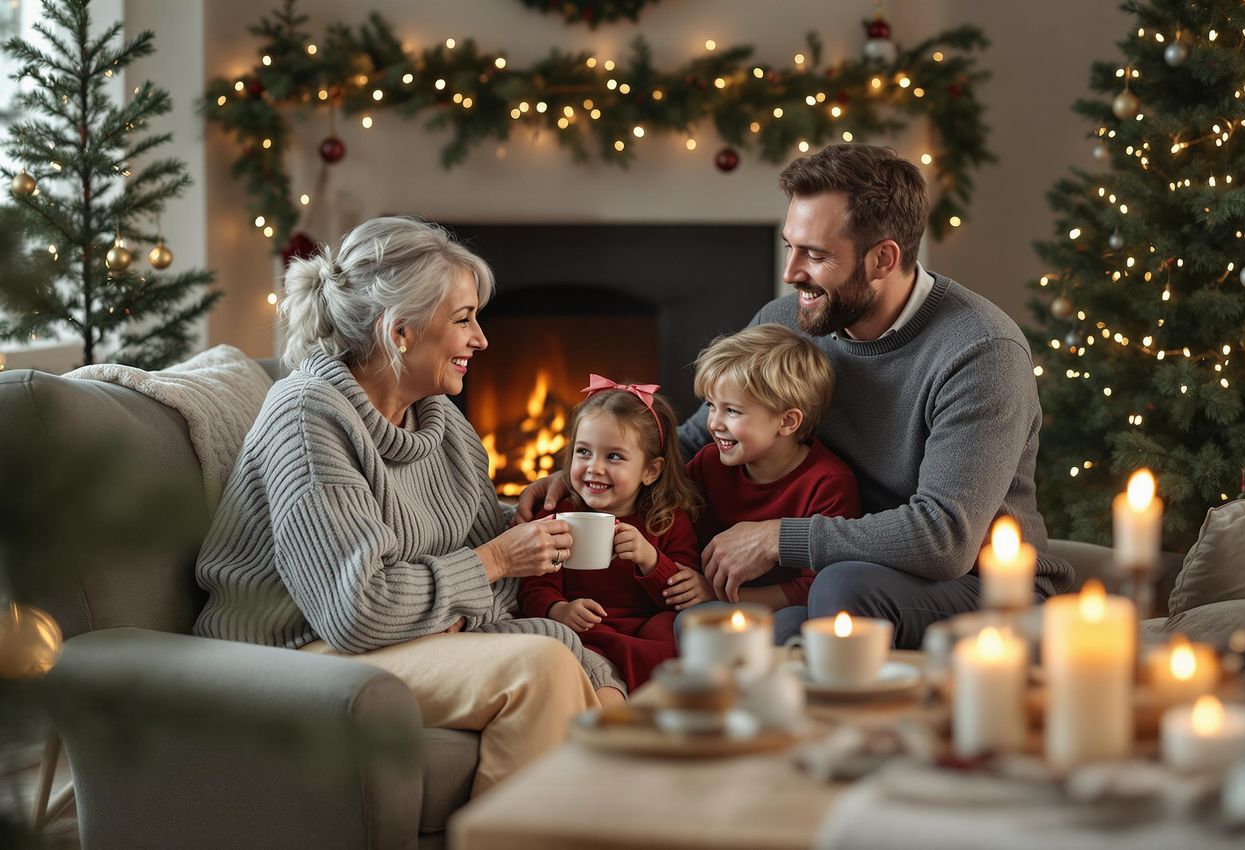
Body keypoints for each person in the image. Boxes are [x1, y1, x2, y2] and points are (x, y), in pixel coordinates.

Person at [518, 143, 1074, 650]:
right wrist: (587, 472)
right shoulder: (790, 320)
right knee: (701, 625)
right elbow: (692, 441)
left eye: (814, 255)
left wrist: (780, 538)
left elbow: (944, 539)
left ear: (882, 258)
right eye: (789, 247)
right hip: (829, 574)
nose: (790, 273)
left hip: (976, 586)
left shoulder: (979, 351)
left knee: (842, 586)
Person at [195, 216, 625, 797]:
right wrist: (493, 560)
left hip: (388, 643)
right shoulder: (307, 416)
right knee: (539, 669)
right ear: (400, 333)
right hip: (290, 654)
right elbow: (360, 610)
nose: (481, 340)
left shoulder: (439, 419)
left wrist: (514, 526)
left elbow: (491, 588)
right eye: (464, 319)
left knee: (574, 666)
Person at [666, 324, 860, 644]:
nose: (713, 423)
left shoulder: (829, 483)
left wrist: (722, 594)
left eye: (732, 411)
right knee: (688, 622)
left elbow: (816, 587)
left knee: (786, 628)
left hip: (786, 607)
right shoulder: (707, 464)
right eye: (712, 407)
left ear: (787, 421)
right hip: (717, 602)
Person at [519, 376, 700, 689]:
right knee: (554, 641)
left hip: (641, 631)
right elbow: (533, 585)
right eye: (584, 452)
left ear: (650, 470)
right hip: (585, 630)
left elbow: (681, 595)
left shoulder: (668, 520)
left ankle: (648, 697)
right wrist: (558, 608)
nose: (594, 468)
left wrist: (650, 559)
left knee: (673, 631)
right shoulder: (556, 514)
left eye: (613, 456)